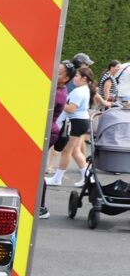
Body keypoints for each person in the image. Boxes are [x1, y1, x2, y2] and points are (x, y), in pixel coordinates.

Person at [51, 66, 95, 188]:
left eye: (76, 76)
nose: (74, 78)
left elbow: (71, 109)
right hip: (80, 121)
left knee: (67, 151)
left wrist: (61, 101)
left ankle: (57, 178)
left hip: (77, 122)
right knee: (75, 152)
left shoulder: (79, 91)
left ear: (84, 78)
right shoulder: (83, 89)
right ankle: (88, 179)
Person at [41, 63, 71, 217]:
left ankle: (41, 207)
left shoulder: (57, 94)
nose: (54, 73)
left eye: (59, 73)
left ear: (66, 79)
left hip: (48, 132)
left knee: (37, 170)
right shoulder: (57, 89)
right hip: (49, 131)